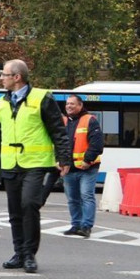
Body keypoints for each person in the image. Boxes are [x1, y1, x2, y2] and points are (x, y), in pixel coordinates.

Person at [0, 59, 71, 274]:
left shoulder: (42, 98)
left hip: (35, 163)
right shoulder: (2, 103)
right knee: (14, 211)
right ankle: (19, 253)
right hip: (11, 164)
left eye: (4, 74)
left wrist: (64, 158)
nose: (1, 78)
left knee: (29, 204)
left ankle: (30, 254)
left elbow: (58, 130)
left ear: (17, 77)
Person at [61, 94, 102, 238]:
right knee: (72, 199)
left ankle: (86, 227)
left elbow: (97, 144)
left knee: (86, 196)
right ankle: (75, 225)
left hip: (87, 168)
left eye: (72, 104)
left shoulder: (90, 120)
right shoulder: (64, 121)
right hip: (68, 168)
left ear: (80, 105)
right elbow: (58, 143)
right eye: (67, 104)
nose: (69, 106)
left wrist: (87, 160)